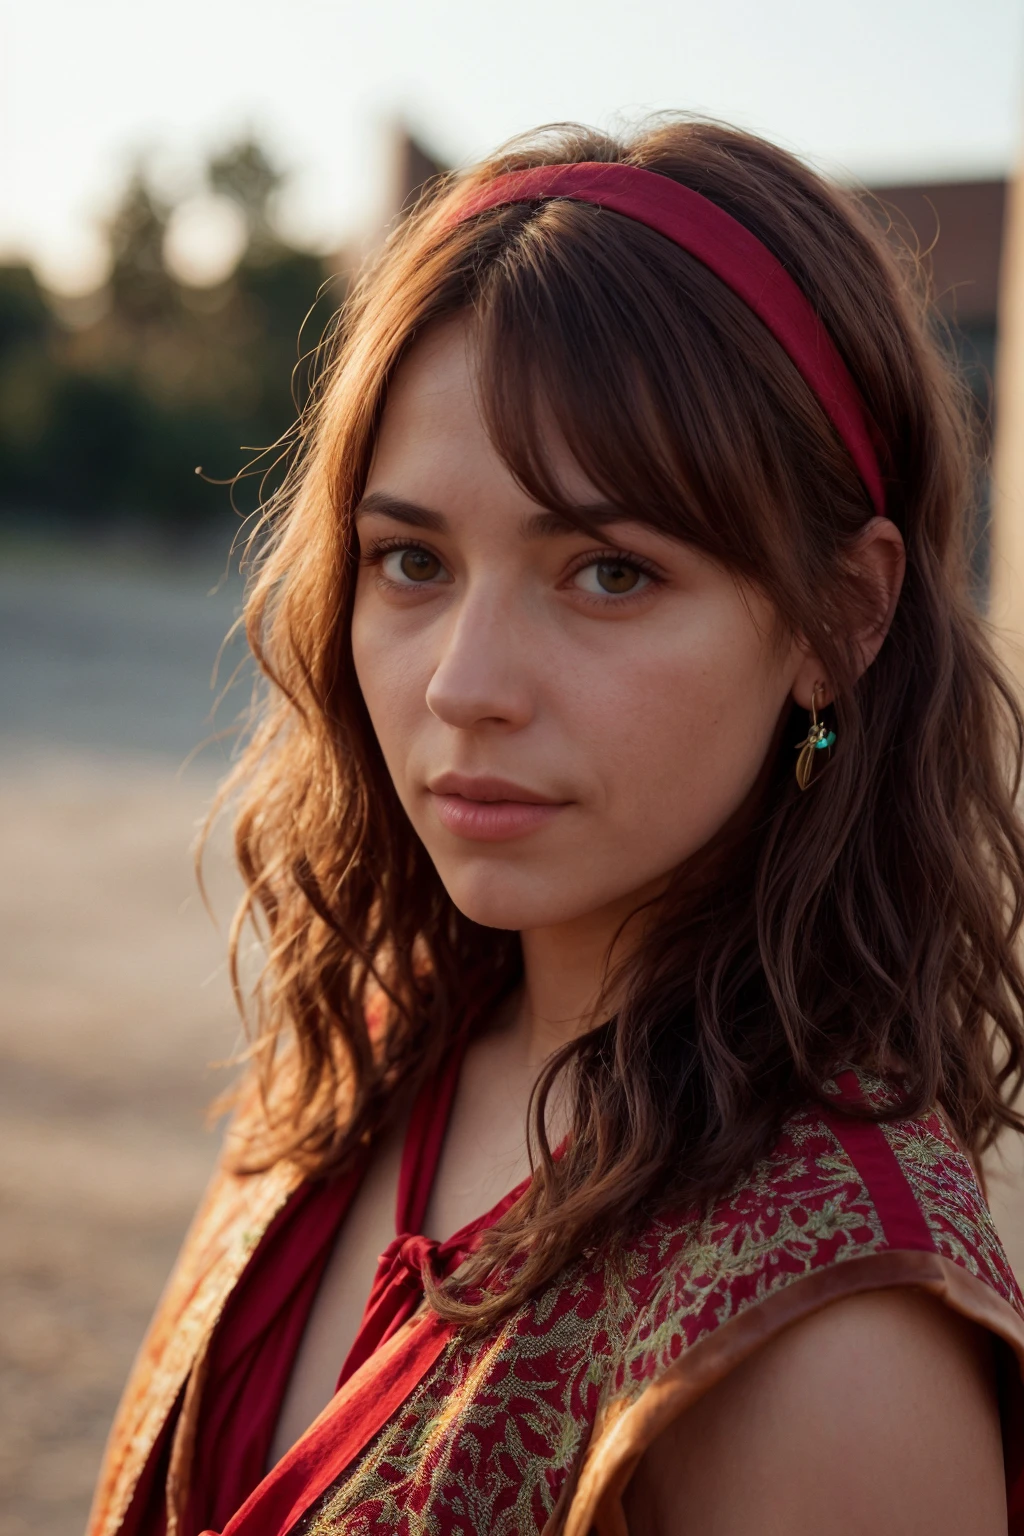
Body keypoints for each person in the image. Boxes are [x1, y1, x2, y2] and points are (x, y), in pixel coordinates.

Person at [88, 118, 1024, 1536]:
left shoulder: (832, 1354)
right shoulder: (374, 1043)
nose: (462, 687)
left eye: (606, 572)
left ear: (841, 620)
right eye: (412, 560)